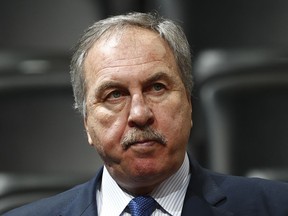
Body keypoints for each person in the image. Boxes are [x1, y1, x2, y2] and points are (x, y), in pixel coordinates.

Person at [4, 12, 288, 216]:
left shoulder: (275, 207)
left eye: (156, 87)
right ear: (87, 124)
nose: (140, 114)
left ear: (189, 105)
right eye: (114, 94)